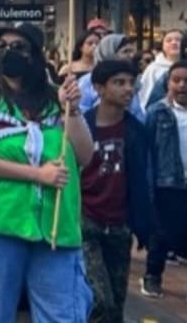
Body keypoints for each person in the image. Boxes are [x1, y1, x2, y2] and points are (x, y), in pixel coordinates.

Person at [0, 23, 94, 321]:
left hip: (55, 228)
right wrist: (37, 175)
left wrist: (73, 110)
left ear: (35, 55)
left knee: (63, 316)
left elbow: (84, 154)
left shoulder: (58, 100)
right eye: (1, 48)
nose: (7, 53)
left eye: (17, 47)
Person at [80, 60, 151, 323]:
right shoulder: (83, 125)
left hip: (119, 224)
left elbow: (142, 181)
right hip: (86, 220)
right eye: (119, 83)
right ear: (99, 88)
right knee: (99, 299)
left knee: (116, 303)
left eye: (131, 83)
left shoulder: (136, 131)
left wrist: (143, 224)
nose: (127, 89)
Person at [140, 59, 187, 298]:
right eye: (176, 80)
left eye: (186, 81)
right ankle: (152, 275)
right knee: (161, 232)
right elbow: (147, 150)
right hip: (166, 182)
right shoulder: (157, 112)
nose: (182, 86)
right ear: (167, 83)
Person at [76, 34, 145, 122]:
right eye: (125, 51)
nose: (130, 56)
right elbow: (81, 112)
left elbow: (137, 113)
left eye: (131, 51)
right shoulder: (86, 82)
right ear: (108, 52)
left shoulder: (132, 80)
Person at [139, 28, 184, 106]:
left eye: (178, 40)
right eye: (169, 40)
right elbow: (144, 96)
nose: (174, 43)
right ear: (163, 46)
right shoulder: (153, 68)